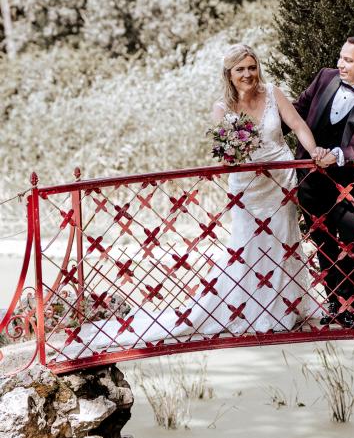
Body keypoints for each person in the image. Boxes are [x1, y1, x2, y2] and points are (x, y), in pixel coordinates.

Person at [61, 44, 323, 357]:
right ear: (229, 73)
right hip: (248, 187)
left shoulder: (273, 93)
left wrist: (314, 152)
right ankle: (250, 311)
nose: (248, 74)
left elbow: (297, 125)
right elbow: (228, 157)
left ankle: (285, 308)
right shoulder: (222, 108)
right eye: (240, 69)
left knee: (283, 244)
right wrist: (238, 154)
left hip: (280, 181)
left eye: (252, 67)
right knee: (246, 248)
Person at [294, 36, 354, 329]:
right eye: (341, 58)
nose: (340, 65)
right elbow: (296, 112)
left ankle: (348, 309)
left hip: (349, 184)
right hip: (311, 179)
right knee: (322, 242)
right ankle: (332, 303)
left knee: (349, 241)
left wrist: (338, 155)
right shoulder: (325, 78)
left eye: (348, 60)